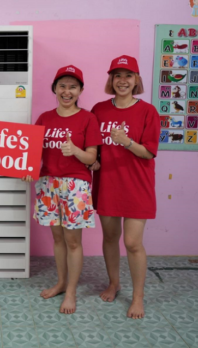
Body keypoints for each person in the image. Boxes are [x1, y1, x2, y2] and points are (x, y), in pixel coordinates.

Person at [23, 65, 101, 314]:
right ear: (55, 89)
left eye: (73, 87)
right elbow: (33, 150)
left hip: (76, 184)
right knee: (58, 239)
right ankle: (61, 282)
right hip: (48, 183)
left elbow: (92, 159)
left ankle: (71, 291)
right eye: (63, 86)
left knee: (73, 242)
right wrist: (28, 168)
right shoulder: (45, 117)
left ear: (80, 90)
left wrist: (75, 151)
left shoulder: (88, 118)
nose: (67, 91)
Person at [90, 55, 160, 319]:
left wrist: (126, 141)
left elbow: (149, 153)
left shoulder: (148, 111)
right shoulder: (99, 110)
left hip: (137, 186)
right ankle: (114, 283)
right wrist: (94, 161)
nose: (122, 81)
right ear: (111, 80)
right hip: (108, 184)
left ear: (136, 80)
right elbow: (93, 147)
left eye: (128, 76)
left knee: (132, 243)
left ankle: (138, 297)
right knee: (109, 238)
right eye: (117, 76)